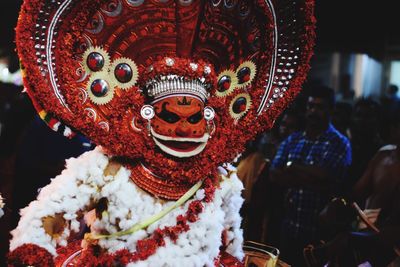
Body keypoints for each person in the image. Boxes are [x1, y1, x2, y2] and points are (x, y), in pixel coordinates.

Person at [7, 0, 315, 266]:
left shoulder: (219, 179)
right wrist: (34, 247)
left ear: (210, 120)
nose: (183, 129)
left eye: (194, 118)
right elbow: (51, 215)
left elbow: (230, 241)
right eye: (171, 117)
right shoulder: (108, 168)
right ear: (145, 117)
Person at [270, 85, 352, 266]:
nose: (314, 111)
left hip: (319, 233)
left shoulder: (339, 142)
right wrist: (314, 178)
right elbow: (275, 174)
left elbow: (328, 177)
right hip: (290, 227)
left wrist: (292, 167)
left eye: (320, 107)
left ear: (331, 110)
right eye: (311, 106)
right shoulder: (294, 139)